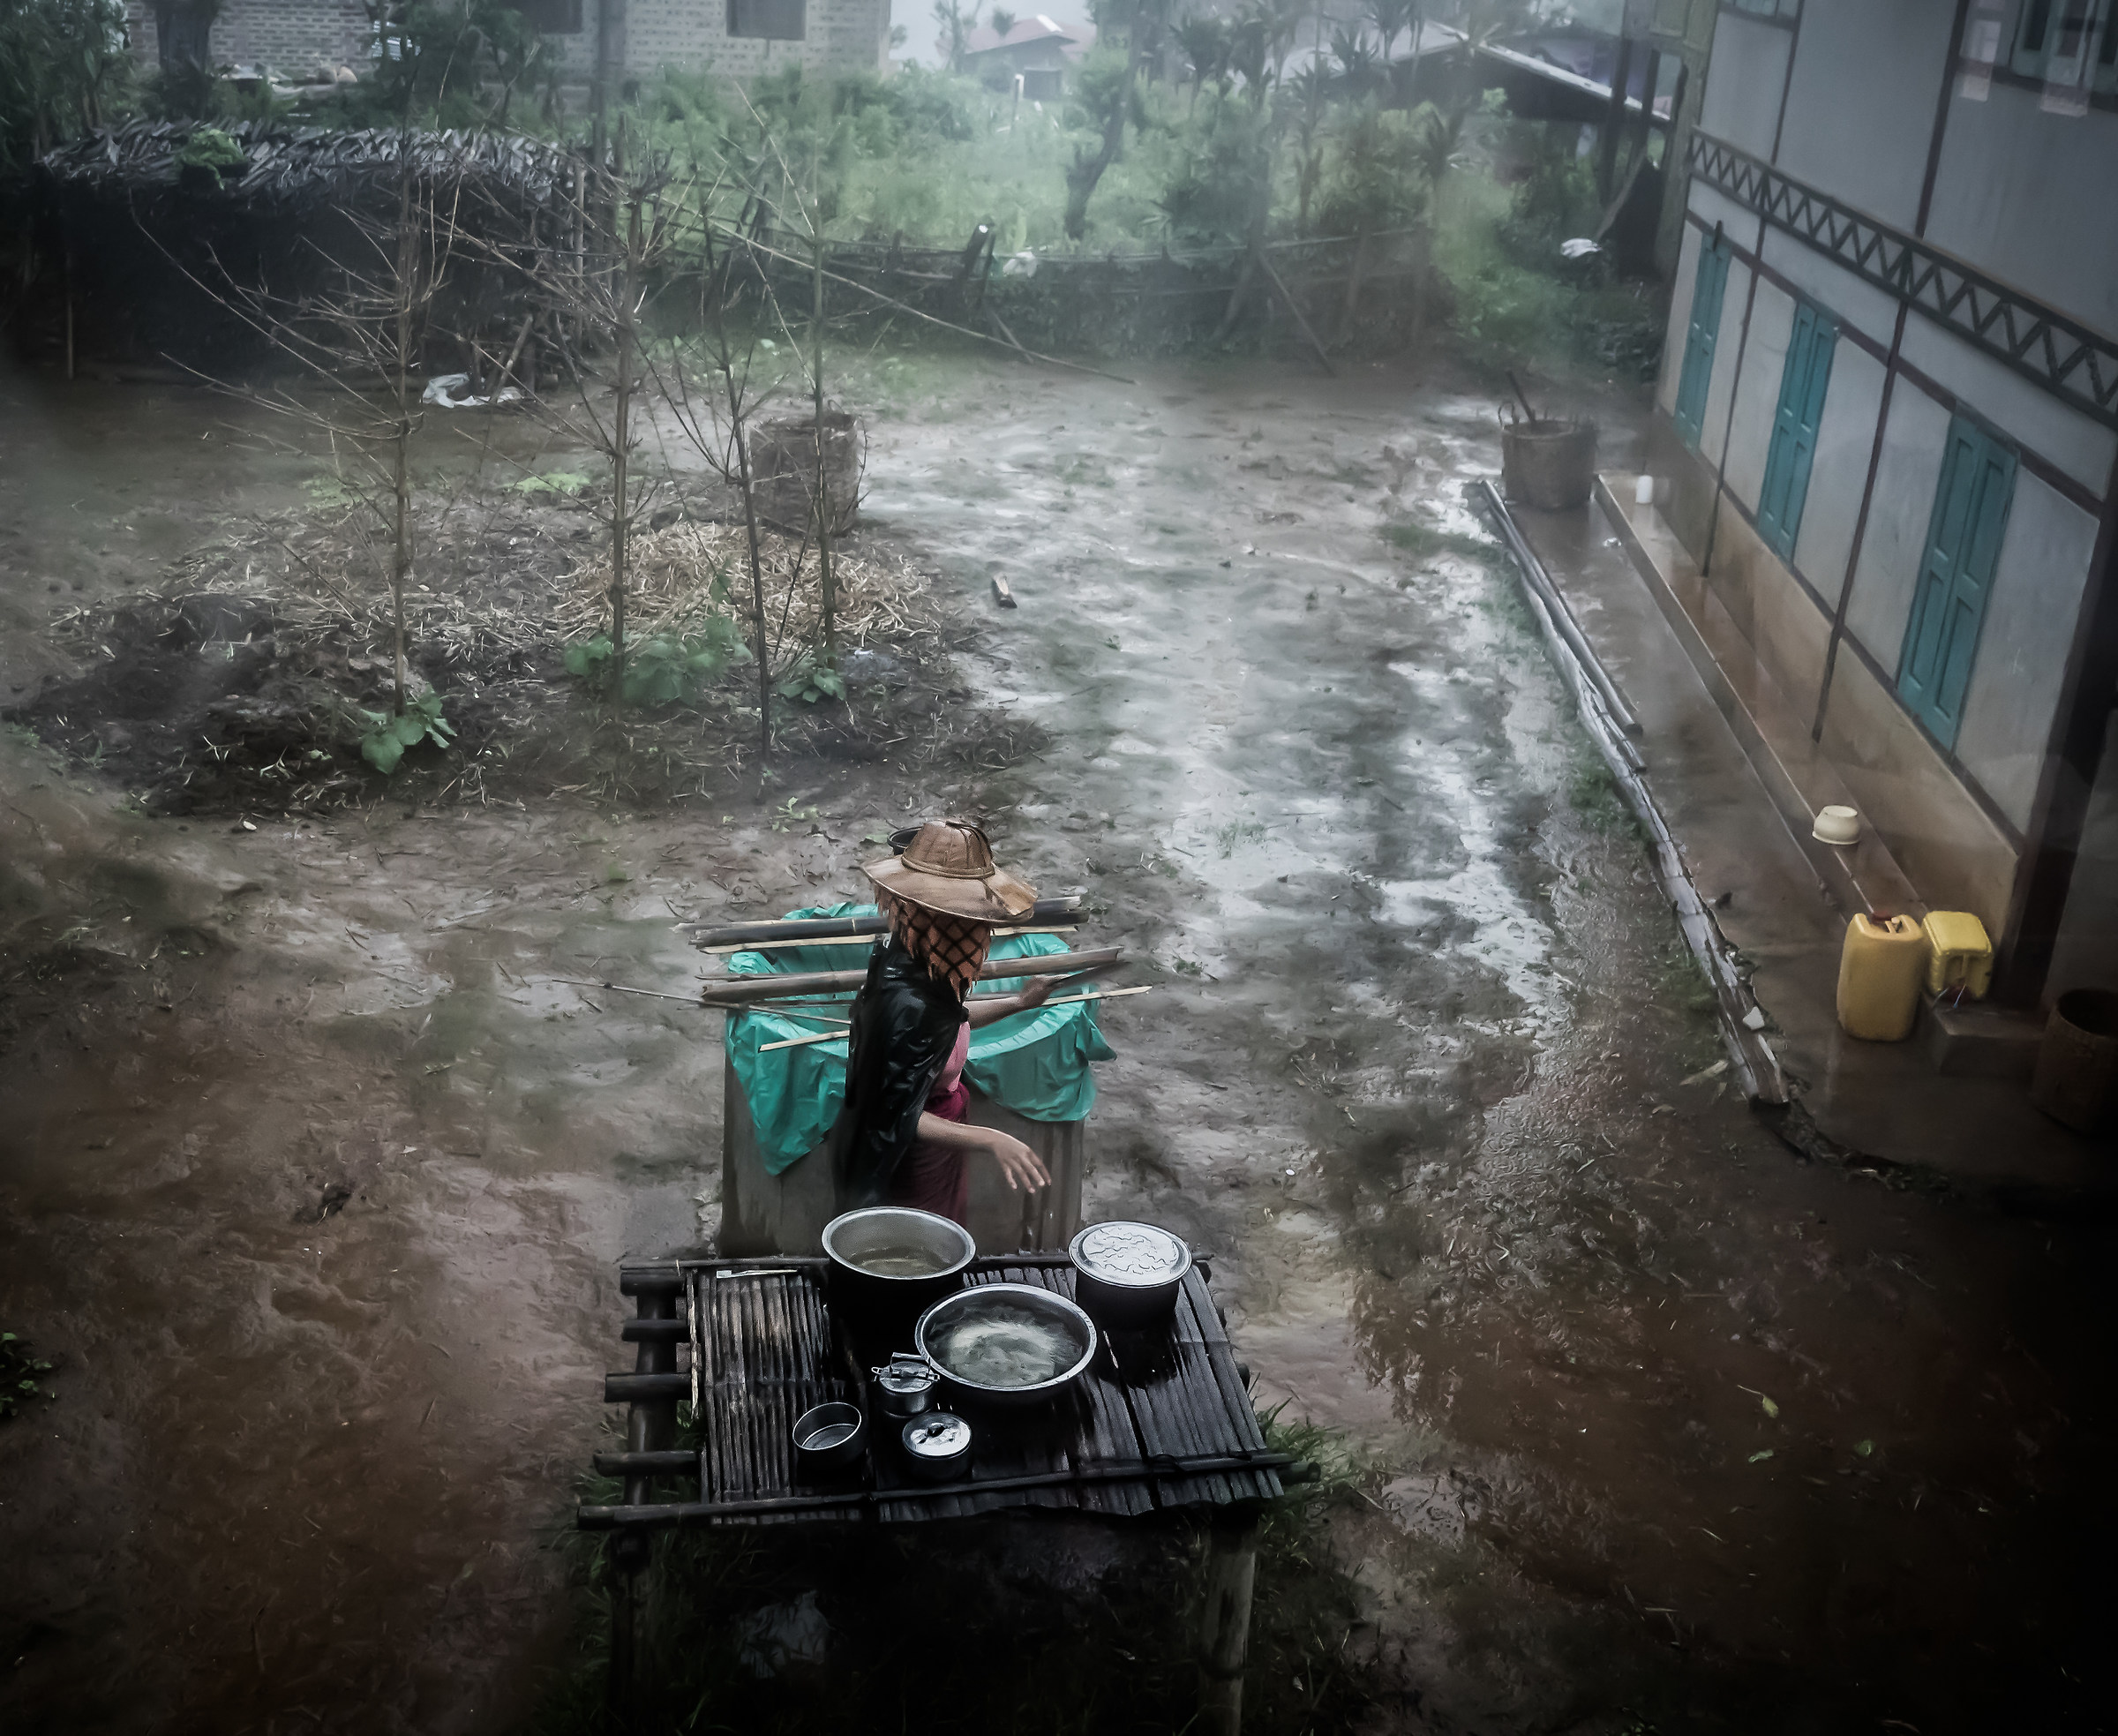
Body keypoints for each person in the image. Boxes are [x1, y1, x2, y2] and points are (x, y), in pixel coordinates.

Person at [835, 819, 1055, 1224]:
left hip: (946, 1134)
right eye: (975, 923)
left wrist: (1021, 1002)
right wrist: (990, 1139)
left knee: (945, 1227)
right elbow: (900, 1115)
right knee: (914, 1241)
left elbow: (950, 1027)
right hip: (906, 1157)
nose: (984, 933)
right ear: (939, 922)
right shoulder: (907, 1000)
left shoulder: (927, 970)